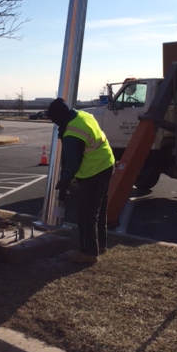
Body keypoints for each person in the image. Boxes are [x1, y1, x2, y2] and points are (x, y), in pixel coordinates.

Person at [47, 97, 115, 264]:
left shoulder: (71, 134)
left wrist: (64, 182)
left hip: (94, 170)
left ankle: (88, 252)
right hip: (107, 162)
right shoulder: (82, 115)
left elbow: (72, 163)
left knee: (86, 213)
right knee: (99, 208)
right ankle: (100, 244)